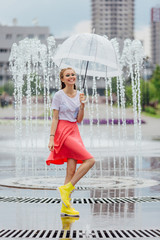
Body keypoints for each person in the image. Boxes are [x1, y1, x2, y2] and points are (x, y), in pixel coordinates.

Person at [46, 67, 95, 217]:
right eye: (68, 75)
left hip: (74, 131)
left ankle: (66, 207)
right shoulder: (58, 96)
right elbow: (55, 118)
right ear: (62, 79)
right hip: (63, 131)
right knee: (90, 160)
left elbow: (79, 119)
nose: (71, 77)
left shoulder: (80, 94)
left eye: (73, 74)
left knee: (71, 171)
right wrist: (51, 137)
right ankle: (67, 188)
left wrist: (82, 106)